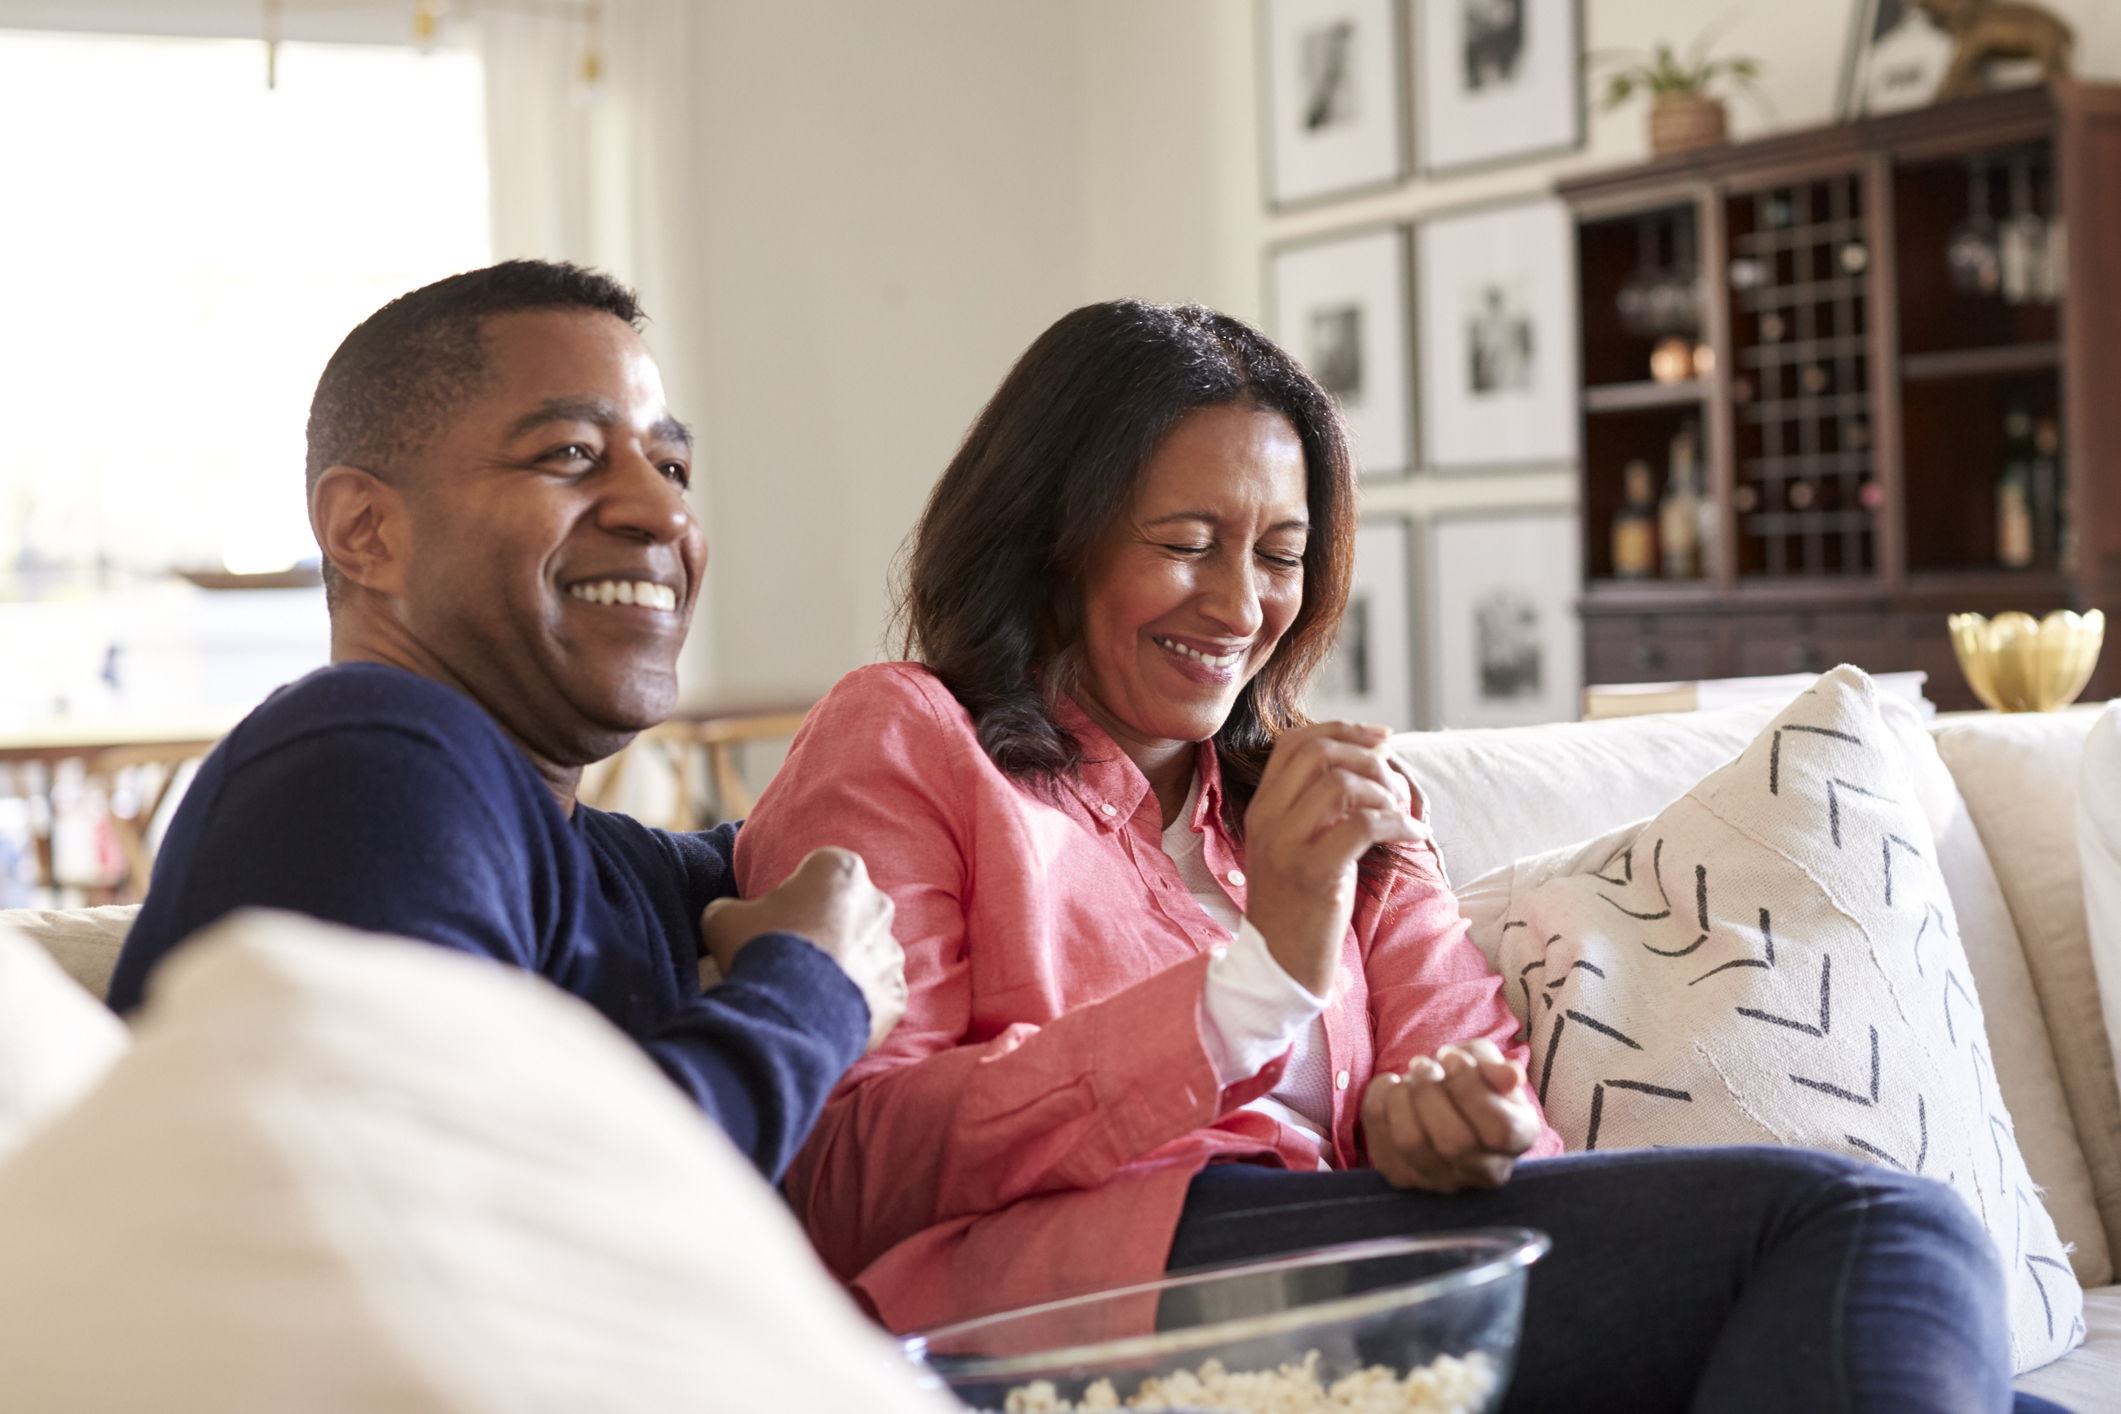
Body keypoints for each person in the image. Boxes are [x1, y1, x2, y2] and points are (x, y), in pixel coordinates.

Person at [734, 300, 2034, 1412]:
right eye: (1186, 543)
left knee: (1961, 1360)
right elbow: (846, 1168)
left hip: (1366, 1281)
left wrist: (1464, 1124)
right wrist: (1257, 979)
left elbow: (1484, 1086)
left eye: (1280, 555)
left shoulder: (1317, 799)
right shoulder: (910, 736)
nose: (1241, 605)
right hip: (1076, 1314)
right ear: (1047, 533)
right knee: (1882, 1229)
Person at [107, 260, 907, 1183]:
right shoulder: (363, 758)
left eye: (672, 465)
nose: (663, 509)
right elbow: (493, 1215)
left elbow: (839, 852)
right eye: (569, 452)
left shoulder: (595, 858)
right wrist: (807, 994)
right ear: (366, 529)